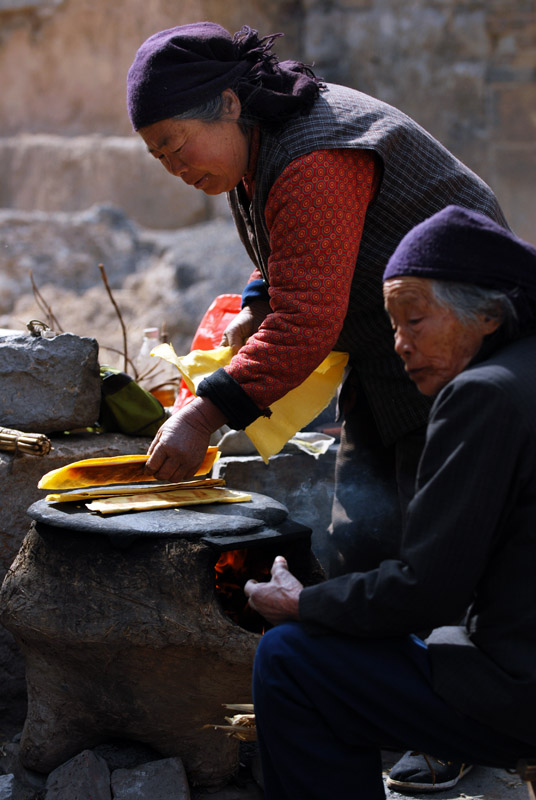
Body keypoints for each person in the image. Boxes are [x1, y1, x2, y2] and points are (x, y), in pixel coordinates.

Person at [126, 24, 509, 788]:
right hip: (390, 346)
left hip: (454, 343)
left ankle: (454, 721)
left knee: (444, 538)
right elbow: (309, 253)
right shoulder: (265, 146)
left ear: (230, 103)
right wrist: (261, 295)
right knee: (359, 528)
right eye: (157, 156)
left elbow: (310, 320)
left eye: (176, 143)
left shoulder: (314, 150)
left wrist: (204, 412)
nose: (173, 167)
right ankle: (360, 701)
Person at [243, 204, 536, 799]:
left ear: (486, 312)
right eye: (391, 326)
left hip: (524, 692)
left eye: (415, 319)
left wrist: (308, 604)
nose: (399, 345)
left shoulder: (483, 396)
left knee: (294, 661)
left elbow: (428, 588)